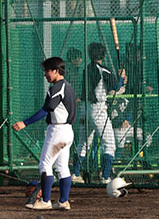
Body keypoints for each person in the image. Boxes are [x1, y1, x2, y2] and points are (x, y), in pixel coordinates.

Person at [13, 56, 78, 210]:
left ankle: (45, 201)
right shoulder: (68, 86)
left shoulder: (57, 88)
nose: (45, 74)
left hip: (58, 131)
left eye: (47, 71)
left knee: (45, 164)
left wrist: (25, 123)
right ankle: (63, 201)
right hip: (67, 131)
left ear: (56, 71)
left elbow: (45, 110)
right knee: (62, 167)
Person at [72, 42, 126, 184]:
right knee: (110, 144)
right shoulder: (103, 70)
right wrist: (121, 78)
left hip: (85, 108)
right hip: (97, 109)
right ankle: (105, 176)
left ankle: (76, 174)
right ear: (102, 55)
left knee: (83, 143)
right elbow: (116, 86)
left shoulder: (86, 69)